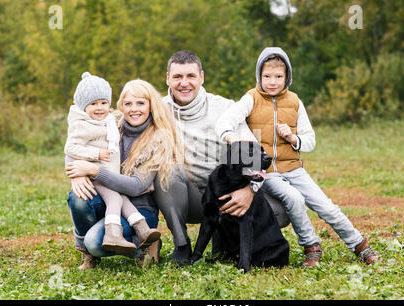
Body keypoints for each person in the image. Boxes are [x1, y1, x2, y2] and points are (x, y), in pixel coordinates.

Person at [215, 47, 380, 266]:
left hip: (294, 168)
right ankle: (311, 246)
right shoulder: (250, 99)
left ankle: (360, 245)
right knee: (294, 198)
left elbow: (310, 140)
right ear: (259, 76)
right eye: (267, 76)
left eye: (278, 77)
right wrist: (232, 138)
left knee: (326, 206)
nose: (272, 82)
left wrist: (293, 138)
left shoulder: (295, 101)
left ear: (287, 77)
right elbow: (223, 122)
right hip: (267, 172)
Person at [153, 50, 290, 265]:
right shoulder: (156, 110)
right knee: (168, 172)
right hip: (187, 198)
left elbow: (252, 151)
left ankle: (224, 242)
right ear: (167, 78)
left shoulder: (225, 108)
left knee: (280, 212)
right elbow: (121, 125)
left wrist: (249, 191)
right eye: (178, 77)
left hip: (226, 195)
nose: (184, 83)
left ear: (202, 77)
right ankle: (182, 246)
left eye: (191, 76)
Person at [65, 79, 184, 270]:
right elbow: (73, 146)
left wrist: (94, 170)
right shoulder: (110, 125)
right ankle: (88, 255)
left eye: (140, 103)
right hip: (109, 201)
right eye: (128, 103)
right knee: (77, 197)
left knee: (95, 242)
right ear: (121, 106)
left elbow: (136, 186)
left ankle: (144, 245)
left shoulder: (158, 139)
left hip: (140, 210)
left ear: (151, 106)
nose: (134, 109)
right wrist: (76, 173)